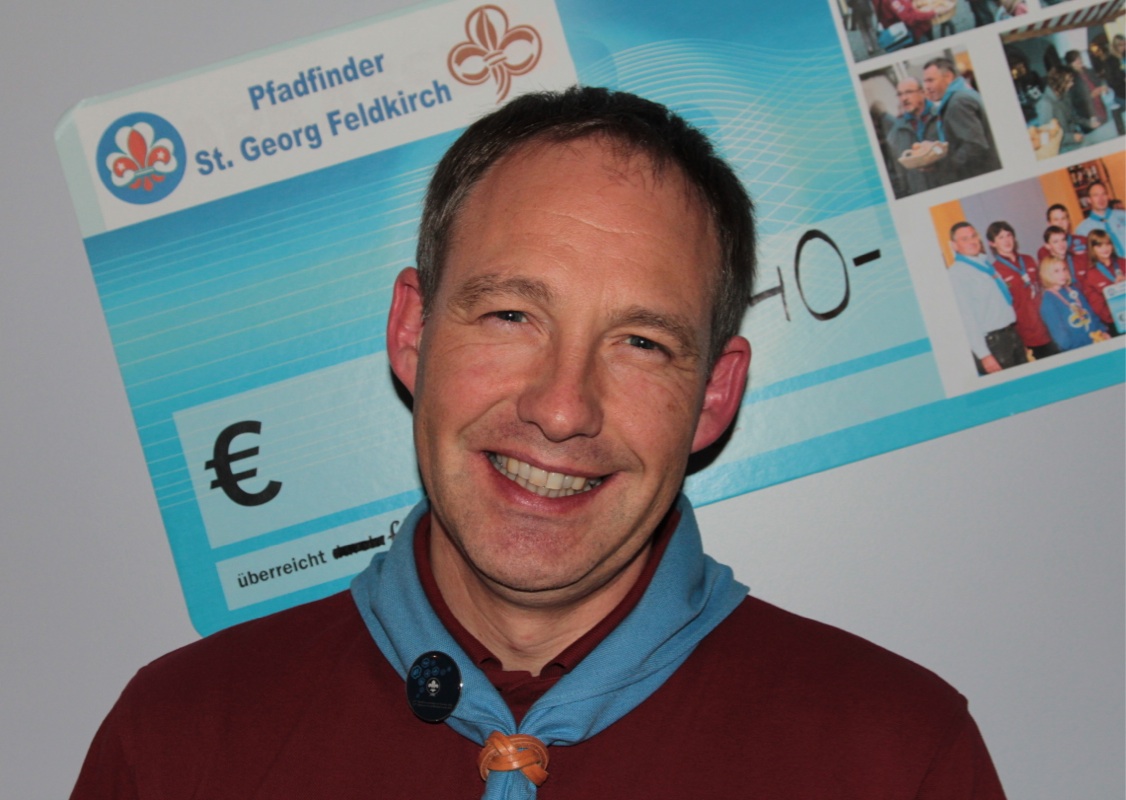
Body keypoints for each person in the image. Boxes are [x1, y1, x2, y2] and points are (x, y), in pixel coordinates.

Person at [69, 87, 1007, 798]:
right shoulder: (175, 747)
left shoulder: (900, 762)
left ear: (715, 395)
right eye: (512, 315)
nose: (562, 409)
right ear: (412, 331)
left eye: (641, 343)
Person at [947, 221, 1026, 374]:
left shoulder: (985, 265)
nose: (972, 241)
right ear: (954, 245)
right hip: (993, 344)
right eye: (965, 239)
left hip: (1011, 335)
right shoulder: (957, 274)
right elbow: (966, 318)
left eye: (973, 236)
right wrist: (984, 355)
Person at [986, 221, 1057, 359]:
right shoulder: (995, 272)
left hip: (1049, 326)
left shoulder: (1028, 260)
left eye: (1009, 235)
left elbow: (1044, 288)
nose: (1007, 240)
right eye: (1001, 237)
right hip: (1026, 335)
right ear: (992, 243)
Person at [923, 57, 1001, 183]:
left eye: (930, 80)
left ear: (948, 77)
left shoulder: (958, 102)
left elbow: (975, 145)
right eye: (925, 82)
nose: (926, 87)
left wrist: (943, 166)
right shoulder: (964, 94)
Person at [1038, 256, 1111, 350]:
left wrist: (1102, 331)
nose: (1062, 274)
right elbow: (1062, 339)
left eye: (1064, 269)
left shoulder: (1073, 290)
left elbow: (1091, 315)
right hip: (1079, 349)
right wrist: (1086, 344)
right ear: (1047, 274)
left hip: (1097, 342)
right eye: (1056, 271)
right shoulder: (1048, 302)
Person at [887, 77, 941, 196]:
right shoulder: (895, 132)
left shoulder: (941, 116)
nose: (904, 98)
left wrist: (939, 163)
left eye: (908, 92)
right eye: (900, 94)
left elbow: (959, 151)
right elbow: (897, 173)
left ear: (922, 92)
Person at [1082, 227, 1125, 331]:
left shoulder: (1123, 263)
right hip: (1116, 322)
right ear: (1092, 248)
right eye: (1099, 246)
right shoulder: (1091, 275)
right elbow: (1098, 307)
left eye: (1107, 244)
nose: (1105, 249)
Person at [1034, 67, 1086, 151]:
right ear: (1058, 82)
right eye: (1068, 81)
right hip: (1062, 149)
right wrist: (1071, 138)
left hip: (1075, 141)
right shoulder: (1045, 104)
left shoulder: (1065, 95)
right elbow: (1048, 135)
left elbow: (1072, 117)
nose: (1072, 84)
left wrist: (1089, 123)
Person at [1074, 181, 1126, 257]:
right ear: (1089, 200)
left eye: (1103, 194)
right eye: (1096, 195)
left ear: (1108, 196)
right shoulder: (1083, 229)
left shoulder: (1123, 215)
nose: (1101, 199)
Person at [1064, 50, 1108, 131]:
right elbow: (1074, 102)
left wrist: (1103, 87)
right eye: (1075, 60)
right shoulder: (1070, 79)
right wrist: (1090, 96)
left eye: (1079, 58)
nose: (1079, 61)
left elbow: (1099, 82)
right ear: (1070, 64)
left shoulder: (1088, 71)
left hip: (1100, 107)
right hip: (1088, 115)